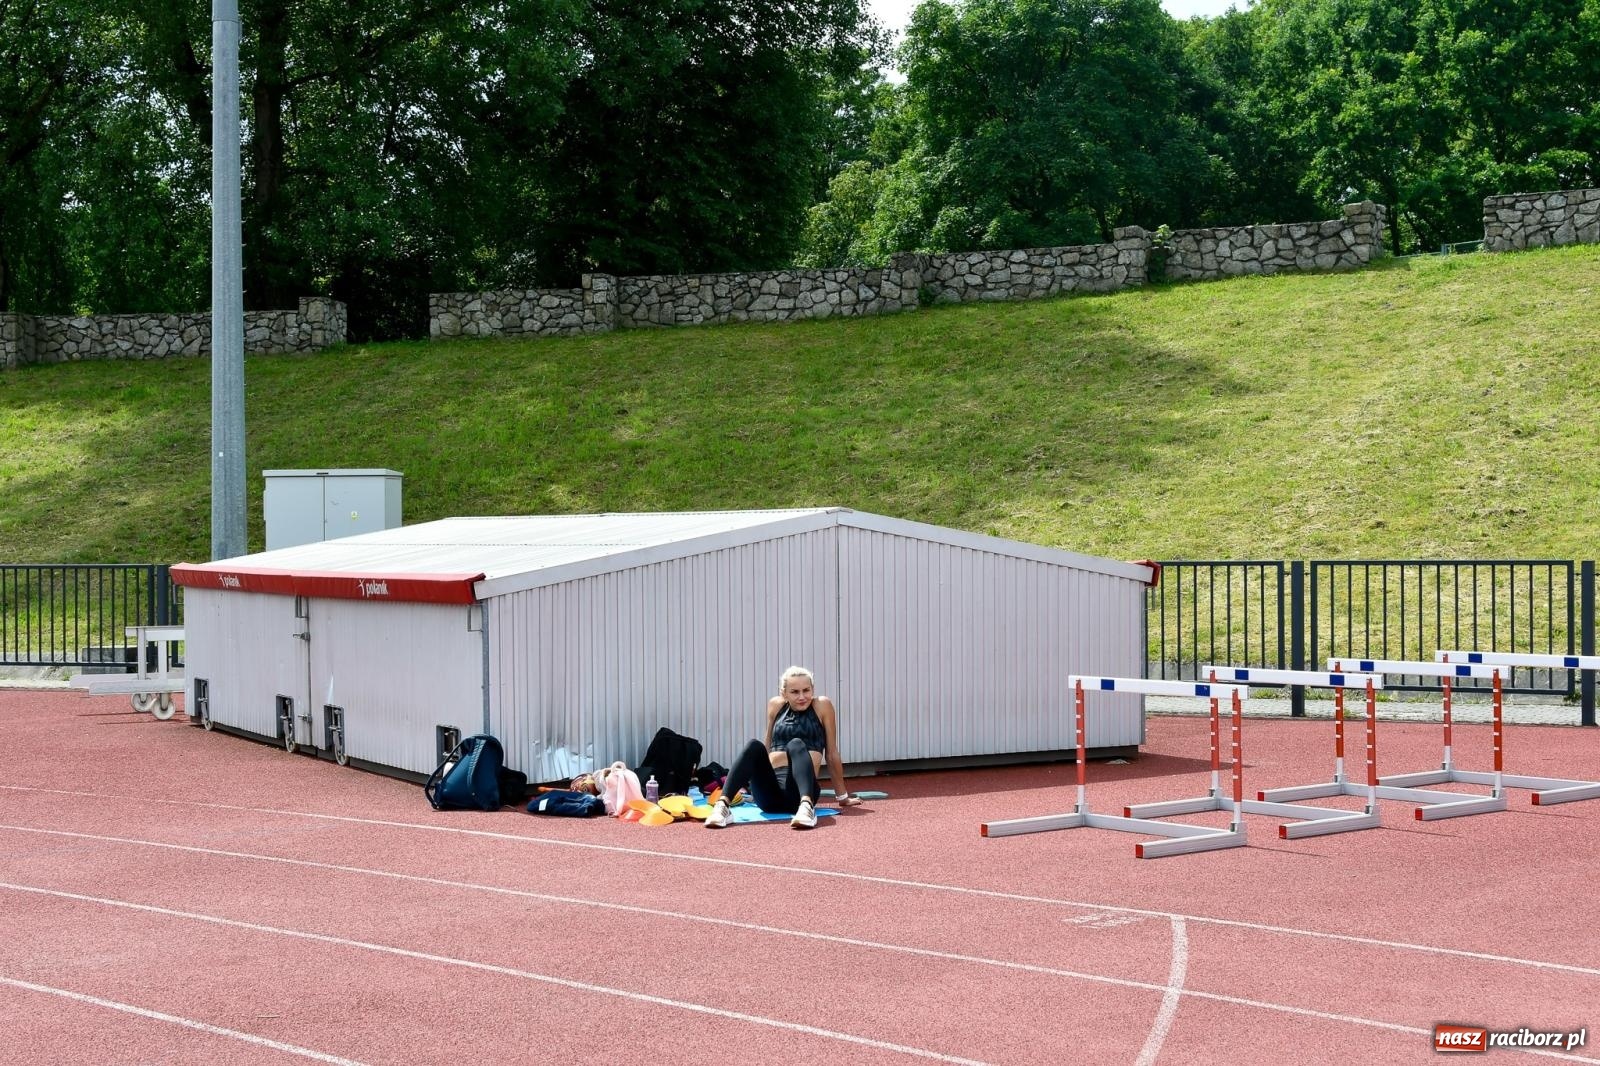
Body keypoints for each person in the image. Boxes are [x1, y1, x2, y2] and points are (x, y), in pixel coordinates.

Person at [705, 665, 862, 829]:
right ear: (784, 693)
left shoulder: (822, 705)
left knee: (795, 744)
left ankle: (807, 809)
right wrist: (749, 782)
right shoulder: (775, 705)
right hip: (769, 797)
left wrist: (842, 797)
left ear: (812, 690)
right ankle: (722, 807)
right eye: (795, 692)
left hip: (799, 794)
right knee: (754, 745)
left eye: (806, 690)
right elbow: (765, 749)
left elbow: (831, 753)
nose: (802, 696)